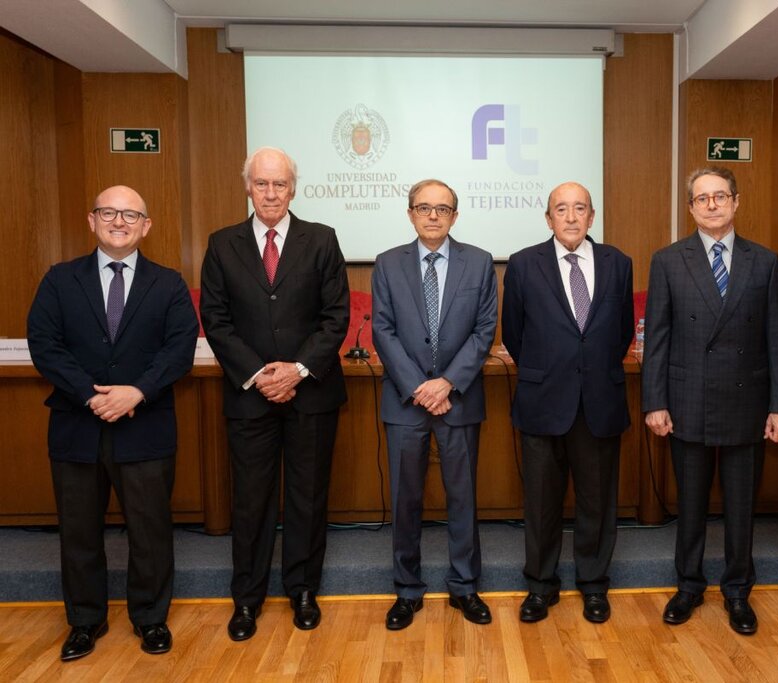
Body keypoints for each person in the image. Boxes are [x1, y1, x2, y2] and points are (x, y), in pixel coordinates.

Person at [27, 186, 198, 660]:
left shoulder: (168, 284)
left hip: (145, 426)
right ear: (92, 219)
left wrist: (136, 392)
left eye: (130, 214)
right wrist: (90, 396)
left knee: (150, 529)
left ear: (146, 226)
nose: (118, 221)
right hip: (76, 427)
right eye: (109, 212)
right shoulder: (60, 280)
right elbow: (45, 344)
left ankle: (150, 619)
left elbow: (179, 350)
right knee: (78, 530)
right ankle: (85, 621)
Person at [200, 147, 349, 641]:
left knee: (307, 498)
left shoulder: (322, 240)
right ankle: (247, 599)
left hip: (312, 394)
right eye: (261, 184)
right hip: (250, 395)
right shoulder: (222, 245)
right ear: (248, 187)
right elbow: (216, 322)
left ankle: (303, 591)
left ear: (293, 188)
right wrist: (260, 374)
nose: (270, 193)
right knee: (251, 501)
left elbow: (336, 317)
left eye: (279, 184)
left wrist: (299, 369)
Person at [641, 166, 778, 635]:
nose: (711, 204)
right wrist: (654, 401)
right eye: (702, 198)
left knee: (741, 506)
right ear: (690, 207)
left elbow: (777, 340)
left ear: (735, 201)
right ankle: (688, 586)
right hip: (687, 401)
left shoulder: (765, 261)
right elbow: (658, 339)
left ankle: (737, 592)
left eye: (720, 196)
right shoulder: (668, 260)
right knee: (690, 505)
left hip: (748, 404)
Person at [502, 182, 634, 624]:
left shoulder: (619, 263)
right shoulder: (523, 264)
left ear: (592, 217)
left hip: (599, 399)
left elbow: (620, 333)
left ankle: (594, 585)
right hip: (543, 399)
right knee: (541, 502)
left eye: (580, 209)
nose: (572, 217)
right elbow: (514, 333)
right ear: (548, 218)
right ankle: (540, 586)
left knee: (598, 501)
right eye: (562, 209)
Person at [371, 179, 497, 630]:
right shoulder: (387, 264)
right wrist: (419, 387)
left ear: (455, 217)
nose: (432, 216)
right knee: (406, 500)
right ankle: (407, 591)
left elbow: (485, 331)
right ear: (410, 214)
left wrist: (446, 384)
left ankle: (465, 587)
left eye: (442, 209)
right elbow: (381, 331)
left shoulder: (480, 263)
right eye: (423, 208)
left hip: (458, 399)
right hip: (406, 402)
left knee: (462, 498)